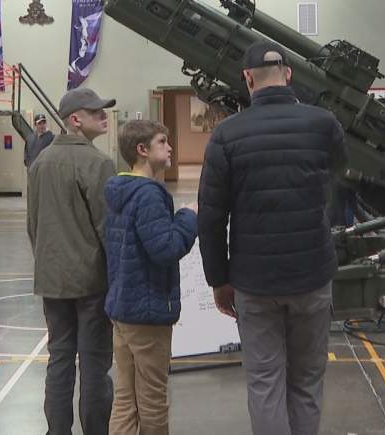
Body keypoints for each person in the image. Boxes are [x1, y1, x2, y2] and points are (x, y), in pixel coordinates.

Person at [199, 41, 346, 435]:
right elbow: (337, 183)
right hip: (312, 275)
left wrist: (218, 280)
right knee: (307, 381)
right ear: (289, 75)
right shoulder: (323, 124)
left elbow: (212, 217)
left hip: (254, 282)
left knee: (265, 382)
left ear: (247, 78)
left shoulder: (227, 135)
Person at [27, 87, 118, 435]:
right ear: (75, 120)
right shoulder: (97, 163)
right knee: (95, 365)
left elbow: (33, 226)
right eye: (95, 112)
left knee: (60, 360)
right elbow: (109, 228)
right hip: (91, 282)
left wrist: (49, 264)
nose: (103, 115)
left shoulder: (40, 163)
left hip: (53, 281)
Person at [104, 120, 197, 435]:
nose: (169, 147)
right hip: (146, 311)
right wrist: (188, 217)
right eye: (162, 142)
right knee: (153, 399)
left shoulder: (120, 189)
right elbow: (165, 248)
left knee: (125, 398)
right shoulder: (149, 194)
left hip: (122, 308)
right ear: (142, 150)